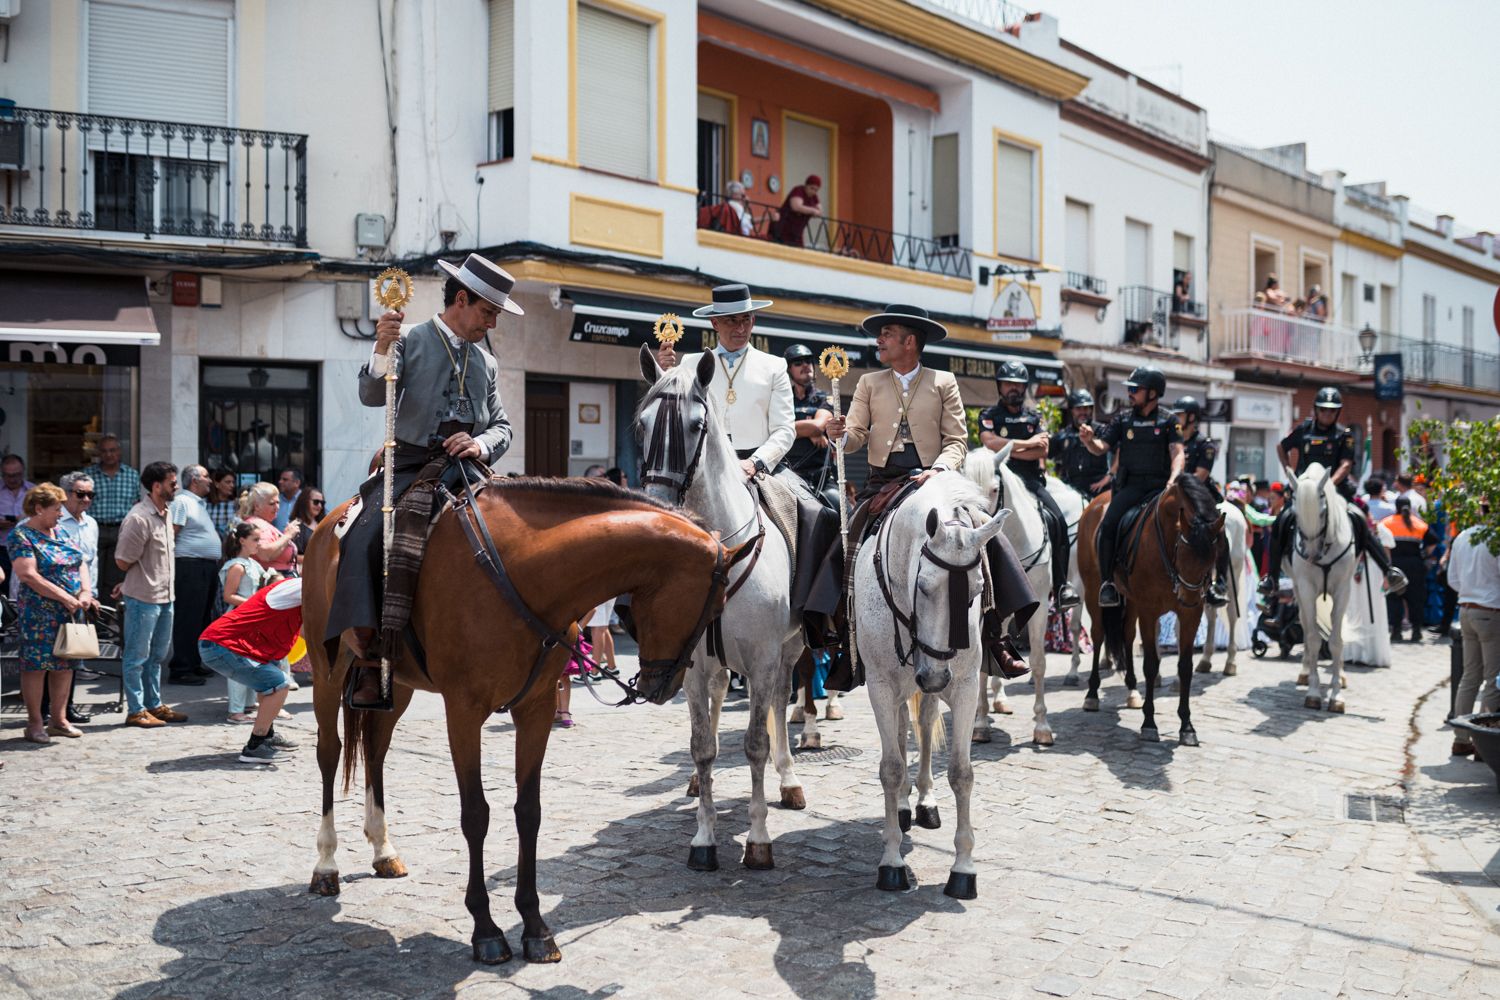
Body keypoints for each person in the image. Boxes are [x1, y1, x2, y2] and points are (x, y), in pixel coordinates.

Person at [327, 253, 520, 710]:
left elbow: (502, 426)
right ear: (461, 299)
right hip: (410, 464)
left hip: (468, 469)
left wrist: (481, 445)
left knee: (515, 536)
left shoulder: (485, 363)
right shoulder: (410, 339)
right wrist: (380, 349)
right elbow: (372, 396)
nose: (491, 324)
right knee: (366, 536)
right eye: (488, 312)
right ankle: (369, 657)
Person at [818, 304, 1035, 676]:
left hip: (937, 482)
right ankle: (843, 636)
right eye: (880, 334)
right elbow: (854, 437)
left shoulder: (943, 382)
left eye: (887, 334)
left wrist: (937, 470)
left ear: (910, 341)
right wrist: (838, 435)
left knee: (984, 535)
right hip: (883, 482)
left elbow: (957, 441)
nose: (879, 340)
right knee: (846, 541)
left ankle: (996, 633)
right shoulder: (869, 383)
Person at [1260, 388, 1406, 598]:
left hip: (1336, 490)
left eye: (1332, 411)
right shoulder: (1303, 430)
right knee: (1282, 521)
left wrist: (1328, 485)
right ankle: (1271, 578)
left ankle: (1388, 570)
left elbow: (1346, 464)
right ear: (1316, 410)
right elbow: (1281, 447)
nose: (1327, 414)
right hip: (1304, 492)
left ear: (1337, 413)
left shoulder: (1343, 435)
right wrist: (1288, 471)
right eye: (1323, 410)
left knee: (1359, 519)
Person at [654, 283, 795, 482]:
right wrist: (665, 373)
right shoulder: (690, 363)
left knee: (813, 509)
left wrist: (756, 462)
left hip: (760, 468)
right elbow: (673, 417)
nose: (741, 328)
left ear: (753, 321)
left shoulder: (774, 366)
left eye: (746, 319)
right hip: (702, 467)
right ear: (714, 323)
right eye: (732, 320)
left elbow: (785, 430)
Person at [1074, 365, 1184, 608]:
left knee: (1195, 523)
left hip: (1160, 488)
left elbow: (1177, 453)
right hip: (1131, 488)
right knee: (1108, 525)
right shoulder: (1122, 419)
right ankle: (1107, 584)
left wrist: (1173, 480)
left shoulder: (1169, 421)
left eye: (1136, 389)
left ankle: (1199, 581)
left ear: (1153, 394)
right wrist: (1089, 440)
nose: (1130, 393)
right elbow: (1101, 447)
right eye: (1130, 389)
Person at [979, 361, 1080, 608]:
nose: (1013, 388)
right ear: (1000, 387)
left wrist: (1010, 447)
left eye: (1018, 384)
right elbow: (988, 442)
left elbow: (1042, 451)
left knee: (1058, 521)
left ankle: (1061, 586)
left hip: (1031, 482)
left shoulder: (1035, 417)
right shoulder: (989, 415)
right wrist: (1026, 443)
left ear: (1024, 388)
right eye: (1008, 383)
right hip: (998, 482)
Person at [9, 483, 99, 744]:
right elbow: (28, 574)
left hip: (69, 611)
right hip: (39, 612)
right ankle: (35, 723)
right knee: (36, 666)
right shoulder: (21, 536)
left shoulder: (59, 532)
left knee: (65, 663)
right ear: (38, 509)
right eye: (57, 509)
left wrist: (85, 592)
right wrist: (65, 597)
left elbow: (79, 560)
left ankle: (59, 720)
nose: (61, 514)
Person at [114, 461, 189, 729]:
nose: (176, 486)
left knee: (156, 656)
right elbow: (122, 560)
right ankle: (136, 710)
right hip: (143, 598)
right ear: (157, 486)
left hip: (164, 596)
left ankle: (153, 704)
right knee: (136, 657)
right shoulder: (139, 517)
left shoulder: (166, 512)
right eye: (172, 482)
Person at [198, 576, 304, 763]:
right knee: (279, 684)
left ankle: (267, 736)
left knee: (271, 680)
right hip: (223, 645)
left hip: (227, 645)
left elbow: (310, 631)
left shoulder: (302, 590)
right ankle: (256, 746)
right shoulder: (300, 586)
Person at [47, 471, 101, 725]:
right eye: (81, 494)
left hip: (82, 597)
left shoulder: (91, 523)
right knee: (51, 654)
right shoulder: (53, 521)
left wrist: (93, 592)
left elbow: (92, 562)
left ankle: (66, 707)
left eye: (91, 494)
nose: (87, 499)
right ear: (66, 494)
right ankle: (48, 709)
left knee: (73, 653)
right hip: (53, 597)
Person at [1447, 510, 1500, 756]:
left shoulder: (1462, 537)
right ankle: (1481, 742)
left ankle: (1460, 737)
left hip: (1466, 609)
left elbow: (1453, 579)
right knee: (1491, 678)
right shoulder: (1494, 538)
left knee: (1469, 676)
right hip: (1490, 611)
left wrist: (1472, 591)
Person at [165, 465, 221, 686]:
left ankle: (193, 662)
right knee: (188, 618)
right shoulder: (182, 502)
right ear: (194, 480)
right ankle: (181, 668)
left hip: (203, 567)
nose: (210, 481)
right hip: (190, 566)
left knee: (201, 618)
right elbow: (171, 534)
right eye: (206, 476)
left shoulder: (198, 503)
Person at [1172, 396, 1229, 606]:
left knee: (1220, 532)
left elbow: (1201, 475)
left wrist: (1177, 487)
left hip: (1199, 498)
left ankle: (1219, 581)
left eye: (1180, 414)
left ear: (1192, 417)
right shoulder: (1174, 443)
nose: (1176, 418)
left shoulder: (1205, 445)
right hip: (1173, 495)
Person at [219, 522, 271, 724]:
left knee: (252, 661)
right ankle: (235, 710)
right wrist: (255, 604)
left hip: (252, 618)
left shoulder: (252, 564)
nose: (259, 544)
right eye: (255, 540)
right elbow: (229, 595)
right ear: (242, 541)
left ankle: (248, 703)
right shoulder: (237, 566)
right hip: (239, 618)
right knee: (238, 664)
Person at [80, 433, 141, 600]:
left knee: (116, 575)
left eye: (112, 450)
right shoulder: (87, 475)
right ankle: (93, 612)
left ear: (119, 452)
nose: (109, 454)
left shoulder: (132, 475)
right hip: (95, 528)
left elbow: (137, 504)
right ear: (99, 453)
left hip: (121, 529)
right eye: (105, 451)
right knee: (92, 571)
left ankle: (110, 614)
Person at [1380, 497, 1437, 643]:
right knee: (1415, 599)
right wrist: (1424, 555)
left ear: (1396, 507)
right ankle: (1416, 632)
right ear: (1410, 507)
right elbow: (1433, 542)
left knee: (1394, 598)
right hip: (1415, 565)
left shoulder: (1386, 523)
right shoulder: (1420, 524)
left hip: (1394, 565)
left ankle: (1396, 632)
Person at [782, 344, 835, 496]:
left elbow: (818, 425)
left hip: (821, 479)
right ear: (789, 370)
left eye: (808, 361)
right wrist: (808, 430)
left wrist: (811, 430)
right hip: (787, 476)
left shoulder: (825, 398)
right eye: (798, 363)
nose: (805, 365)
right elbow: (772, 429)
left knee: (842, 509)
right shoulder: (782, 400)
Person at [1049, 390, 1112, 499]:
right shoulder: (1062, 435)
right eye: (1078, 409)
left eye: (1086, 408)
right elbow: (1043, 453)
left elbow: (1120, 451)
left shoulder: (1102, 430)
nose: (1083, 412)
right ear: (1072, 411)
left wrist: (1109, 477)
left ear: (1091, 409)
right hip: (1070, 491)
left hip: (1098, 489)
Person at [240, 482, 300, 579]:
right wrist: (288, 535)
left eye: (278, 502)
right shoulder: (256, 524)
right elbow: (265, 554)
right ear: (257, 506)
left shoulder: (264, 524)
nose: (277, 507)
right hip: (272, 582)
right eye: (272, 504)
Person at [0, 454, 36, 582]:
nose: (12, 479)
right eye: (8, 475)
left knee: (23, 585)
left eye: (16, 474)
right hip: (2, 546)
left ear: (23, 471)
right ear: (2, 474)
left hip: (27, 547)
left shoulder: (34, 491)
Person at [771, 174, 823, 247]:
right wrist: (813, 211)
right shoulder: (798, 190)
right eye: (812, 188)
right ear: (806, 185)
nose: (813, 191)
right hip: (783, 229)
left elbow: (820, 211)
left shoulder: (814, 197)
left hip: (797, 233)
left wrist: (813, 211)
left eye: (816, 190)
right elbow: (796, 206)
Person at [287, 485, 326, 556]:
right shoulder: (295, 526)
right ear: (305, 501)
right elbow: (293, 555)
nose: (319, 506)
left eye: (322, 503)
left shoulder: (325, 524)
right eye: (316, 502)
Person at [205, 467, 239, 537]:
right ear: (217, 484)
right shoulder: (205, 504)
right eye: (228, 482)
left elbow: (236, 526)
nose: (232, 485)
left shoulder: (235, 504)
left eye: (233, 482)